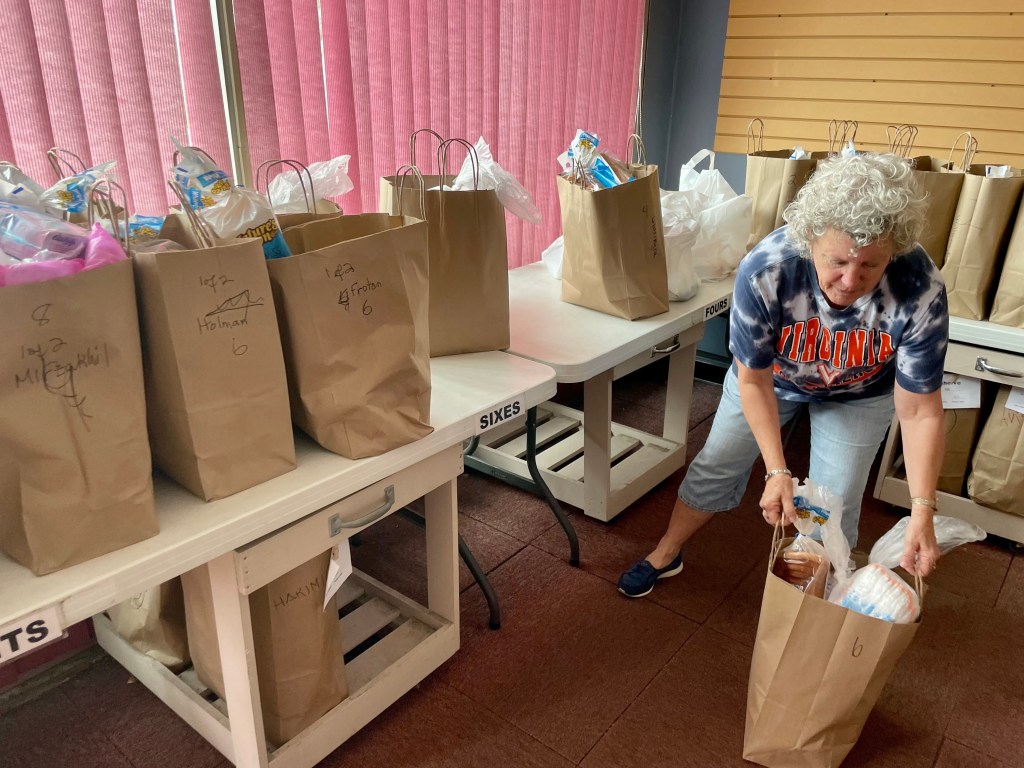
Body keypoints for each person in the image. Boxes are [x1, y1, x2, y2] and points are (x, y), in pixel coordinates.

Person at [618, 152, 947, 598]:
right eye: (836, 261)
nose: (850, 281)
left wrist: (922, 509)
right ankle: (667, 550)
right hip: (771, 381)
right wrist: (776, 470)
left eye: (870, 265)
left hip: (860, 394)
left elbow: (920, 411)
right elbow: (751, 380)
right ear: (811, 239)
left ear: (894, 251)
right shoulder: (767, 270)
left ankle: (799, 605)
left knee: (833, 503)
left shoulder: (919, 288)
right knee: (717, 465)